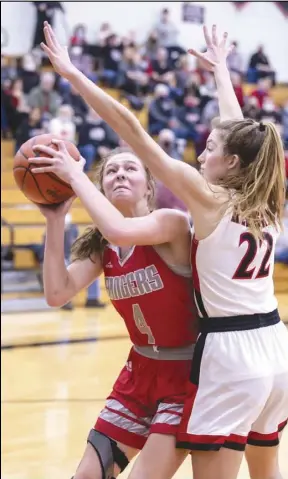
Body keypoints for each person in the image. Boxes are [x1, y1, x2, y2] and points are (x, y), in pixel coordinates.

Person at [40, 22, 288, 479]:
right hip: (276, 348)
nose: (200, 156)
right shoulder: (268, 194)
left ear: (231, 163)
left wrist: (74, 75)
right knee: (267, 469)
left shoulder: (209, 200)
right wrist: (220, 72)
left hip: (230, 350)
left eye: (210, 149)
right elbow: (241, 138)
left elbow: (132, 129)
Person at [29, 143, 199, 479]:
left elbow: (119, 228)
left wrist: (75, 177)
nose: (119, 173)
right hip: (138, 374)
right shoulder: (104, 246)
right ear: (103, 188)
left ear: (149, 187)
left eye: (130, 168)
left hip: (187, 375)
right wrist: (56, 219)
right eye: (111, 171)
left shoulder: (172, 223)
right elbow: (56, 293)